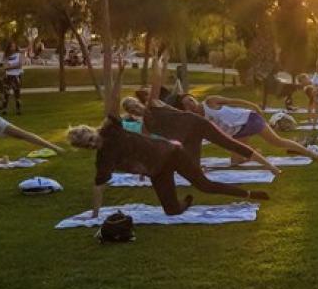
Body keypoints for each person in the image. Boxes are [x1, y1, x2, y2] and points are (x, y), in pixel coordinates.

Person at [69, 65, 270, 218]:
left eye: (90, 138)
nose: (92, 143)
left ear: (91, 131)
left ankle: (250, 194)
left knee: (204, 185)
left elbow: (112, 101)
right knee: (171, 211)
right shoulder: (103, 159)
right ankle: (185, 203)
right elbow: (98, 188)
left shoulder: (110, 128)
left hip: (170, 153)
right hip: (157, 171)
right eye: (88, 145)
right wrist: (95, 215)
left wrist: (120, 74)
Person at [124, 53, 289, 172]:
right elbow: (145, 143)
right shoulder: (149, 112)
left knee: (229, 144)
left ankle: (270, 166)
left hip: (194, 125)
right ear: (134, 110)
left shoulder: (152, 107)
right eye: (133, 107)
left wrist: (161, 62)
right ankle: (262, 162)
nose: (136, 108)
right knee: (201, 158)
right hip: (189, 131)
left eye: (134, 105)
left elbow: (156, 83)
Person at [179, 93, 318, 159]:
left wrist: (253, 106)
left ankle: (310, 153)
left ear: (194, 98)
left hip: (249, 119)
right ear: (185, 108)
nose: (190, 104)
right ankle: (254, 151)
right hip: (238, 132)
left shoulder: (210, 101)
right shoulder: (196, 119)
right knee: (234, 162)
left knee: (277, 142)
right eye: (187, 104)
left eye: (190, 100)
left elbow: (234, 99)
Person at [0, 40, 25, 115]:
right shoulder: (6, 55)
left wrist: (10, 66)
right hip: (8, 76)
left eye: (14, 46)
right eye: (11, 46)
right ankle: (4, 109)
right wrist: (9, 67)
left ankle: (18, 109)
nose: (12, 48)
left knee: (17, 92)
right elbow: (4, 66)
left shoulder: (19, 54)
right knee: (6, 93)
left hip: (17, 75)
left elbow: (20, 64)